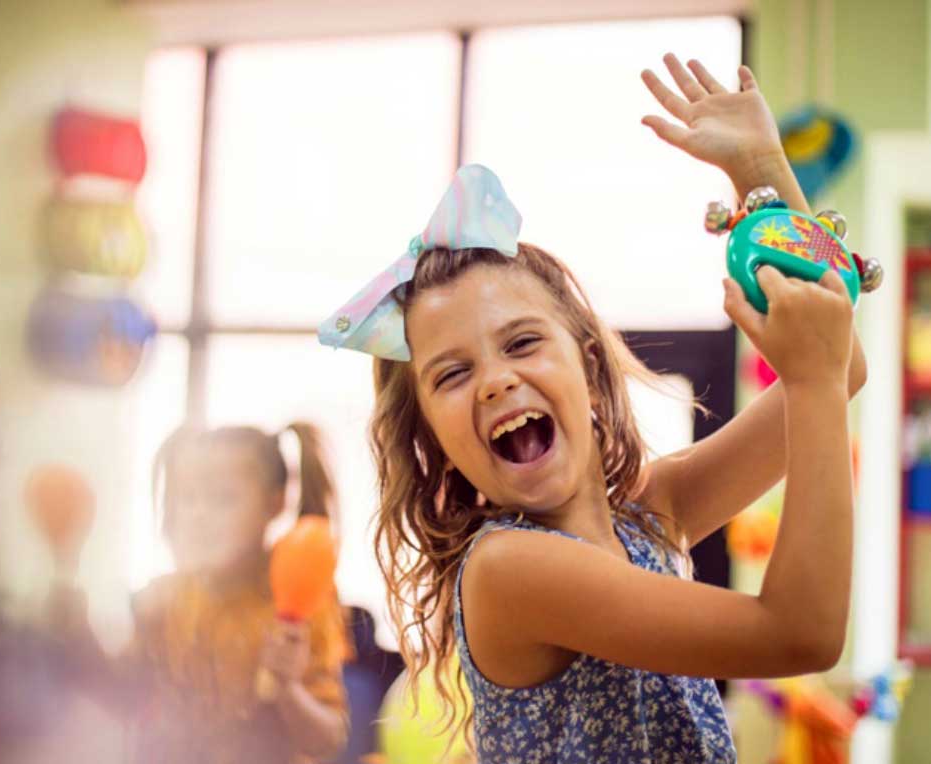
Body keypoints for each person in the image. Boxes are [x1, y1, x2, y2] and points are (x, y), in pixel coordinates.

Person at [320, 53, 867, 763]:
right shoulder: (510, 570)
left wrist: (761, 167)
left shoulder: (647, 511)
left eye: (521, 342)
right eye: (453, 374)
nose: (494, 381)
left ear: (586, 357)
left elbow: (843, 367)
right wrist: (814, 379)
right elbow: (802, 634)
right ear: (432, 437)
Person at [46, 422, 349, 763]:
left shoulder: (298, 605)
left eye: (223, 499)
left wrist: (288, 689)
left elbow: (328, 740)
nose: (199, 515)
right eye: (187, 498)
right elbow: (124, 696)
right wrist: (76, 630)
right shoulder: (168, 597)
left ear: (274, 503)